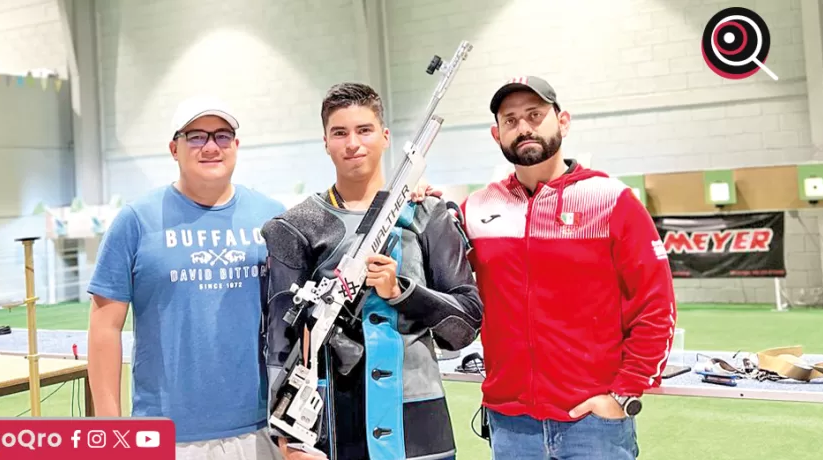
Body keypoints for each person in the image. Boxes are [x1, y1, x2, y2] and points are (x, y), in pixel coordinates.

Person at [457, 75, 678, 460]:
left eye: (535, 115)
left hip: (593, 424)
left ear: (563, 121)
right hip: (509, 424)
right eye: (510, 120)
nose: (523, 127)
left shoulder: (611, 200)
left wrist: (624, 392)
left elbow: (655, 305)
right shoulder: (476, 208)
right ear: (497, 134)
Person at [261, 82, 484, 460]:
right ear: (326, 142)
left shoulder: (427, 214)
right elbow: (280, 341)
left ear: (384, 136)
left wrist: (403, 292)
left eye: (364, 130)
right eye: (340, 133)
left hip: (418, 425)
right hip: (332, 424)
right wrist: (290, 436)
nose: (353, 143)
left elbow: (465, 326)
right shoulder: (296, 226)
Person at [86, 94, 287, 459]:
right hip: (165, 432)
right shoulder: (136, 221)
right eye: (196, 136)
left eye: (222, 136)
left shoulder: (274, 219)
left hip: (263, 427)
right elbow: (104, 328)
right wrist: (110, 431)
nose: (211, 147)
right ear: (173, 148)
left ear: (236, 146)